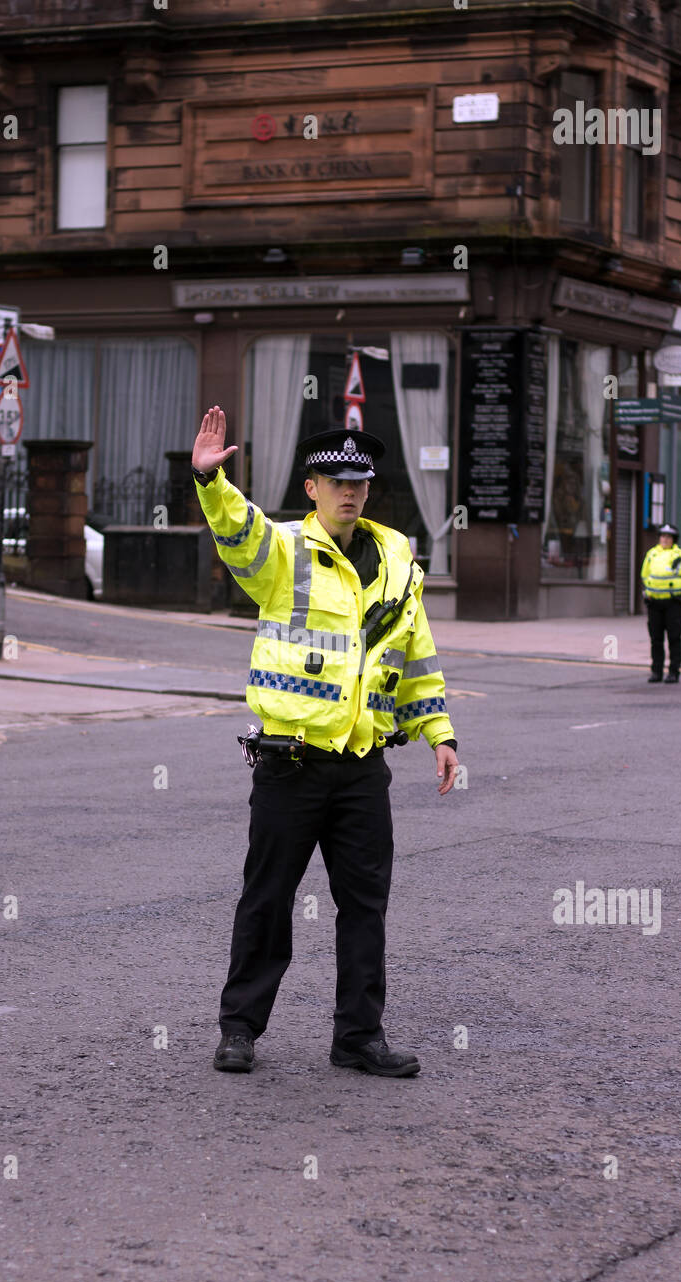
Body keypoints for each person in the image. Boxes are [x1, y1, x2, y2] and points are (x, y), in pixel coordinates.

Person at [191, 406, 459, 1078]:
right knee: (268, 899)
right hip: (291, 763)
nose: (348, 491)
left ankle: (358, 1037)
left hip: (364, 766)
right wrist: (211, 485)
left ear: (369, 489)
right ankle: (239, 1029)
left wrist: (438, 731)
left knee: (365, 906)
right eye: (334, 481)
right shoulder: (284, 553)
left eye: (359, 482)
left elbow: (416, 653)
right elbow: (238, 533)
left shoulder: (399, 558)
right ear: (310, 488)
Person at [640, 522, 681, 683]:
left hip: (673, 603)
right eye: (663, 536)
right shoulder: (652, 554)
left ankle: (673, 671)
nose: (665, 539)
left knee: (674, 638)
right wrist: (650, 592)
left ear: (674, 539)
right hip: (654, 603)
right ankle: (656, 671)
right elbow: (644, 575)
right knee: (656, 639)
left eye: (668, 537)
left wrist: (680, 594)